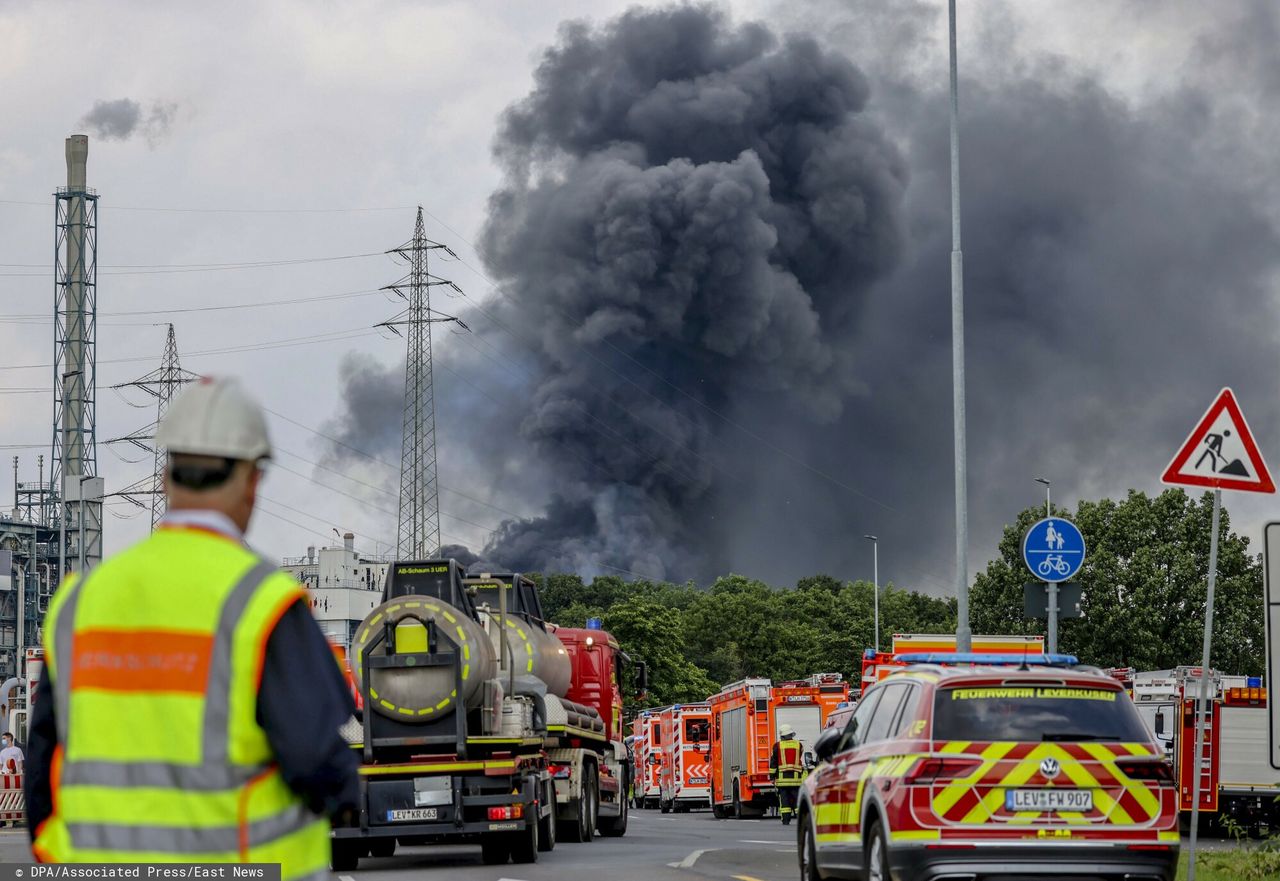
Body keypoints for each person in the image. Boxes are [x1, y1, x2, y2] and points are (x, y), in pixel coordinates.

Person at [24, 377, 359, 879]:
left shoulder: (80, 602)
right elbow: (316, 761)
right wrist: (348, 796)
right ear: (251, 481)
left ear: (165, 476)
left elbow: (41, 776)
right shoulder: (262, 602)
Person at [769, 723, 805, 825]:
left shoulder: (777, 746)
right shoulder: (799, 745)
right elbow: (800, 756)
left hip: (782, 780)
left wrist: (772, 777)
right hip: (796, 779)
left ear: (782, 736)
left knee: (784, 801)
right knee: (797, 799)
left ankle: (786, 820)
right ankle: (801, 818)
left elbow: (773, 763)